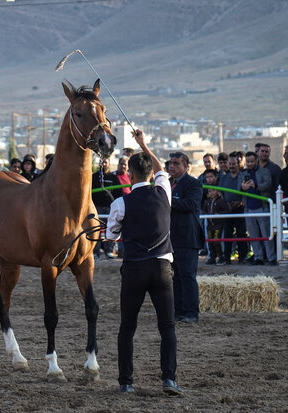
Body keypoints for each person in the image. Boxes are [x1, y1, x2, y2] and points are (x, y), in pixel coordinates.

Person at [105, 129, 182, 395]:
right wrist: (144, 144)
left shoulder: (120, 203)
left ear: (131, 176)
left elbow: (111, 236)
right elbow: (161, 168)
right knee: (167, 327)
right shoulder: (164, 192)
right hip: (162, 268)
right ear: (151, 174)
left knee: (127, 327)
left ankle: (126, 382)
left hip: (135, 269)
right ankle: (169, 379)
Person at [168, 151, 204, 322]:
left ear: (186, 166)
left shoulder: (194, 184)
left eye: (176, 163)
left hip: (187, 237)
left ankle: (191, 312)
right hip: (171, 237)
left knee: (187, 275)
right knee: (175, 276)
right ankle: (179, 310)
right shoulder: (168, 184)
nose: (172, 166)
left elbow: (190, 204)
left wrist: (167, 200)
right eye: (170, 163)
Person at [240, 151, 276, 265]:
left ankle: (271, 258)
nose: (250, 164)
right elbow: (238, 188)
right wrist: (242, 187)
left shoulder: (264, 171)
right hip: (248, 208)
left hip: (262, 207)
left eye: (252, 161)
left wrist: (255, 186)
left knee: (266, 235)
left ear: (256, 161)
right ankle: (258, 257)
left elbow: (268, 184)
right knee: (253, 236)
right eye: (248, 161)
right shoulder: (242, 174)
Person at [218, 154, 248, 264]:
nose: (231, 166)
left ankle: (242, 257)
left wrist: (240, 202)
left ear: (238, 164)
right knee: (227, 234)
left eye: (233, 164)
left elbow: (245, 191)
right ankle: (227, 258)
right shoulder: (224, 177)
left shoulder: (243, 176)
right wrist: (225, 204)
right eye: (229, 164)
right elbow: (220, 192)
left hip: (240, 208)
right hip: (227, 209)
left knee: (241, 233)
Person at [91, 157, 122, 259]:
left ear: (109, 164)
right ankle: (95, 252)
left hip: (110, 208)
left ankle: (109, 250)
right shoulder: (94, 177)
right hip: (97, 208)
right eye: (101, 162)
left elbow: (119, 193)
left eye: (105, 162)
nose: (103, 164)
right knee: (96, 230)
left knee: (111, 228)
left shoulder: (113, 177)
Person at [202, 169, 229, 265]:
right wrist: (205, 214)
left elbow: (227, 210)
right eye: (210, 191)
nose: (212, 192)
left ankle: (221, 257)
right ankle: (212, 258)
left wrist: (220, 214)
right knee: (210, 241)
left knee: (218, 241)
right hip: (209, 224)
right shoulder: (207, 201)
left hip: (218, 224)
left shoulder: (220, 200)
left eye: (213, 190)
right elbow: (204, 209)